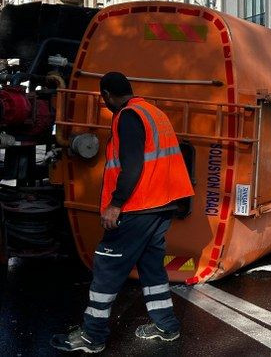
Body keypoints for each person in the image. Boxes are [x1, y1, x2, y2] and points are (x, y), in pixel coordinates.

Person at [51, 72, 194, 353]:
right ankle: (167, 326)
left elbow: (132, 165)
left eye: (103, 98)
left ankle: (93, 336)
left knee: (107, 267)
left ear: (106, 94)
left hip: (137, 208)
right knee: (152, 268)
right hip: (162, 206)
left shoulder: (128, 116)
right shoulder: (153, 112)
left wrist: (115, 204)